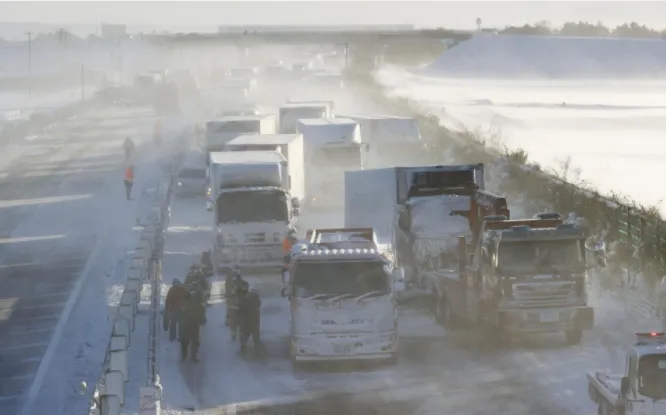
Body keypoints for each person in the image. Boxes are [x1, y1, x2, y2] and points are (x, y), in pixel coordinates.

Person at [180, 290, 207, 362]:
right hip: (194, 326)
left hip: (185, 326)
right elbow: (201, 315)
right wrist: (202, 321)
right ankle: (193, 357)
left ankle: (184, 357)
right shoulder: (198, 305)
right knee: (194, 342)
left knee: (185, 342)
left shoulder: (184, 304)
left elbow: (181, 314)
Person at [237, 280, 261, 357]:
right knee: (255, 334)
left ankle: (243, 349)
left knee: (245, 334)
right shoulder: (254, 295)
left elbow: (241, 310)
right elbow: (259, 304)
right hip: (255, 318)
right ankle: (257, 348)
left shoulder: (243, 299)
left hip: (246, 319)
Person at [225, 269, 243, 341]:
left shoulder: (240, 281)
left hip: (238, 304)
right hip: (232, 304)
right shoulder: (229, 283)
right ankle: (234, 333)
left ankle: (239, 333)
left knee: (239, 319)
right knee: (232, 319)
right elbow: (228, 291)